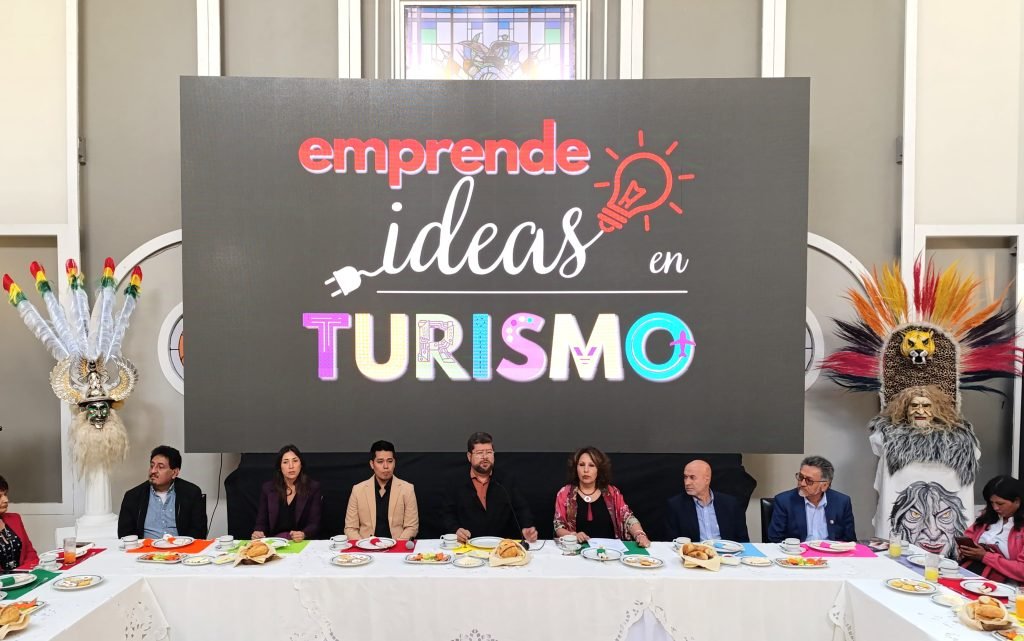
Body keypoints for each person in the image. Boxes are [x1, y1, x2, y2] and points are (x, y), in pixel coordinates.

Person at [440, 432, 538, 544]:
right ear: (469, 456)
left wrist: (526, 527)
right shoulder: (455, 481)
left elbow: (521, 509)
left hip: (501, 545)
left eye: (489, 452)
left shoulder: (506, 480)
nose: (485, 457)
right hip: (467, 545)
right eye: (479, 453)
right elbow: (446, 514)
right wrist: (455, 530)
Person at [553, 447, 650, 547]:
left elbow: (628, 518)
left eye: (591, 465)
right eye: (581, 465)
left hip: (610, 551)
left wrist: (639, 534)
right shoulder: (565, 493)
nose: (586, 470)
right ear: (575, 468)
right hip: (577, 549)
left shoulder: (612, 493)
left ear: (599, 469)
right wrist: (573, 535)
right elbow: (558, 526)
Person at [118, 445, 208, 539]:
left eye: (160, 467)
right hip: (146, 547)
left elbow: (199, 532)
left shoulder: (192, 493)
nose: (153, 471)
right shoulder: (132, 496)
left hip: (182, 546)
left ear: (174, 473)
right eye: (152, 466)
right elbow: (125, 535)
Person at [766, 455, 856, 542]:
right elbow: (775, 540)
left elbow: (849, 541)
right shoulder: (784, 501)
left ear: (824, 485)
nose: (802, 483)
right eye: (801, 477)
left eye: (809, 480)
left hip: (831, 551)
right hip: (797, 551)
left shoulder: (842, 502)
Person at [344, 440, 419, 540]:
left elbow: (412, 527)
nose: (386, 466)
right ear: (372, 464)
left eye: (390, 461)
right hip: (365, 546)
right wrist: (363, 545)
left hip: (397, 545)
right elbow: (350, 528)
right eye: (380, 461)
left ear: (394, 463)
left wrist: (398, 545)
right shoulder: (358, 490)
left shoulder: (407, 489)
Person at [958, 475, 1024, 582]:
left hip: (1007, 585)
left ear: (1017, 501)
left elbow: (1022, 570)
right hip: (972, 573)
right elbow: (969, 536)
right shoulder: (988, 517)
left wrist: (985, 557)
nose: (995, 508)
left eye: (1000, 503)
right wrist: (965, 550)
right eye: (991, 503)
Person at [665, 459, 749, 542]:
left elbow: (743, 540)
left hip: (725, 550)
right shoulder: (675, 505)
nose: (687, 483)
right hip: (695, 550)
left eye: (692, 477)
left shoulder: (731, 504)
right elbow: (671, 542)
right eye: (685, 477)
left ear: (707, 479)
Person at [252, 444, 322, 542]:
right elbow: (261, 522)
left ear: (301, 464)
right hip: (275, 541)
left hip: (301, 541)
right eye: (285, 462)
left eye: (295, 461)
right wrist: (258, 532)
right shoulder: (268, 488)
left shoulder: (313, 487)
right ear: (280, 467)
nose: (291, 466)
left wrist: (304, 533)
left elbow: (315, 523)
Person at [0, 475, 38, 571]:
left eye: (5, 494)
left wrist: (23, 574)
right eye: (0, 496)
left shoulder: (15, 518)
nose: (6, 500)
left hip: (24, 576)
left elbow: (30, 553)